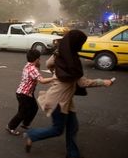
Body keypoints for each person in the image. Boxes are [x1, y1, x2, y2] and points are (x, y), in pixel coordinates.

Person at [23, 30, 114, 158]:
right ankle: (32, 135)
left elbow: (49, 64)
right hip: (59, 102)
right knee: (57, 129)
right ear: (76, 44)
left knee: (73, 127)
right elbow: (83, 83)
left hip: (65, 100)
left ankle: (72, 153)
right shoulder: (72, 62)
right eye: (81, 43)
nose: (81, 46)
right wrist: (104, 82)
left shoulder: (59, 54)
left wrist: (56, 72)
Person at [6, 49, 55, 136]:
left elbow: (37, 77)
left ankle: (25, 124)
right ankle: (10, 127)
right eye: (39, 59)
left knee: (34, 108)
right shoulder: (32, 69)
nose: (40, 60)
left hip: (27, 93)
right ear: (36, 59)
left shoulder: (28, 65)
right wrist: (54, 78)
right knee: (22, 112)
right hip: (23, 94)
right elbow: (42, 80)